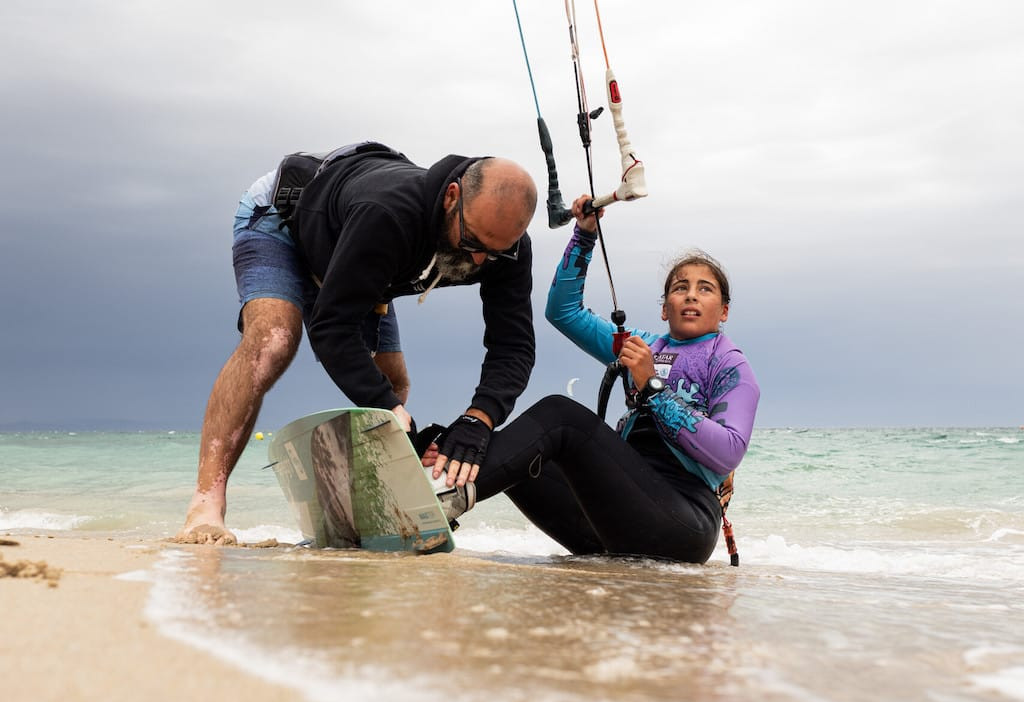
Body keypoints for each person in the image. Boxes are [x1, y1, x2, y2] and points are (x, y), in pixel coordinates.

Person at [178, 141, 538, 544]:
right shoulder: (389, 215)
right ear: (451, 197)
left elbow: (514, 345)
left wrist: (479, 419)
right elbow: (332, 326)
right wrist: (386, 406)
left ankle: (374, 506)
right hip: (283, 218)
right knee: (273, 341)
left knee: (392, 383)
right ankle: (205, 506)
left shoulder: (507, 249)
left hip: (361, 254)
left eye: (496, 252)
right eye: (473, 242)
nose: (479, 261)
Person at [439, 194, 760, 563]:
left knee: (561, 416)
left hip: (682, 525)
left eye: (705, 289)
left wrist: (652, 387)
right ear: (664, 308)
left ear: (724, 311)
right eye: (679, 287)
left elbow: (728, 451)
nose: (690, 295)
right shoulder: (642, 346)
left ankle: (444, 498)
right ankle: (436, 478)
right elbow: (564, 312)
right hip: (613, 524)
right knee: (515, 455)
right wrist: (584, 235)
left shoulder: (729, 364)